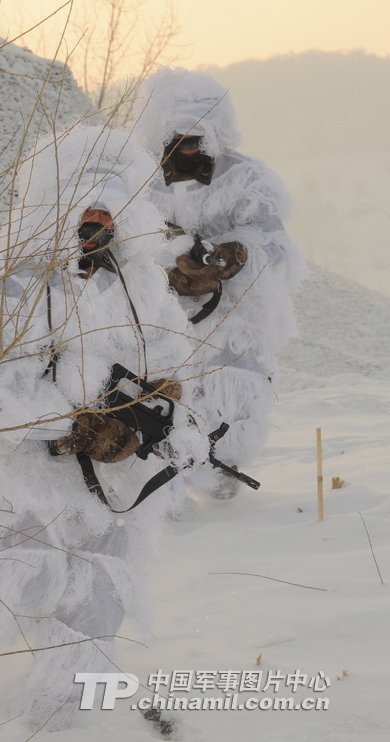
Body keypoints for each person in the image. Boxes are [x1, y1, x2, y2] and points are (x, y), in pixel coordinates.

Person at [0, 124, 211, 732]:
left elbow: (171, 362)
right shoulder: (7, 286)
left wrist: (167, 406)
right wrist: (74, 428)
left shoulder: (139, 286)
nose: (96, 229)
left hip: (113, 484)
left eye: (108, 215)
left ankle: (62, 714)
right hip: (27, 474)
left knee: (98, 595)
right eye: (84, 215)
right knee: (17, 577)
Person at [132, 68, 304, 499]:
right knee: (161, 404)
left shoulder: (246, 178)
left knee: (232, 397)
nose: (188, 141)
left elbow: (275, 244)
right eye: (178, 130)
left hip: (232, 318)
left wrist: (233, 257)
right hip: (161, 318)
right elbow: (121, 238)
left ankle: (225, 490)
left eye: (197, 131)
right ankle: (165, 500)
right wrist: (165, 266)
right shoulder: (137, 178)